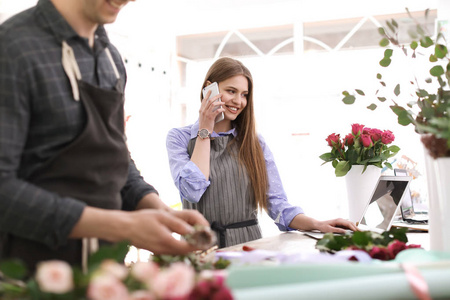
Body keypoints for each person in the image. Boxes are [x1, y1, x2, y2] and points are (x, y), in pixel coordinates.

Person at [0, 0, 209, 271]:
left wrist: (156, 209)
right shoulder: (13, 49)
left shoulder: (109, 57)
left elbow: (116, 158)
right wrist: (123, 226)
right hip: (29, 278)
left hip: (106, 272)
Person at [166, 57, 358, 248]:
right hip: (199, 247)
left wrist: (318, 224)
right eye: (231, 91)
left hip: (247, 246)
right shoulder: (179, 138)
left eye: (244, 94)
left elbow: (277, 203)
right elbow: (192, 190)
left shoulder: (254, 143)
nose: (238, 101)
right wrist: (205, 130)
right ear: (209, 89)